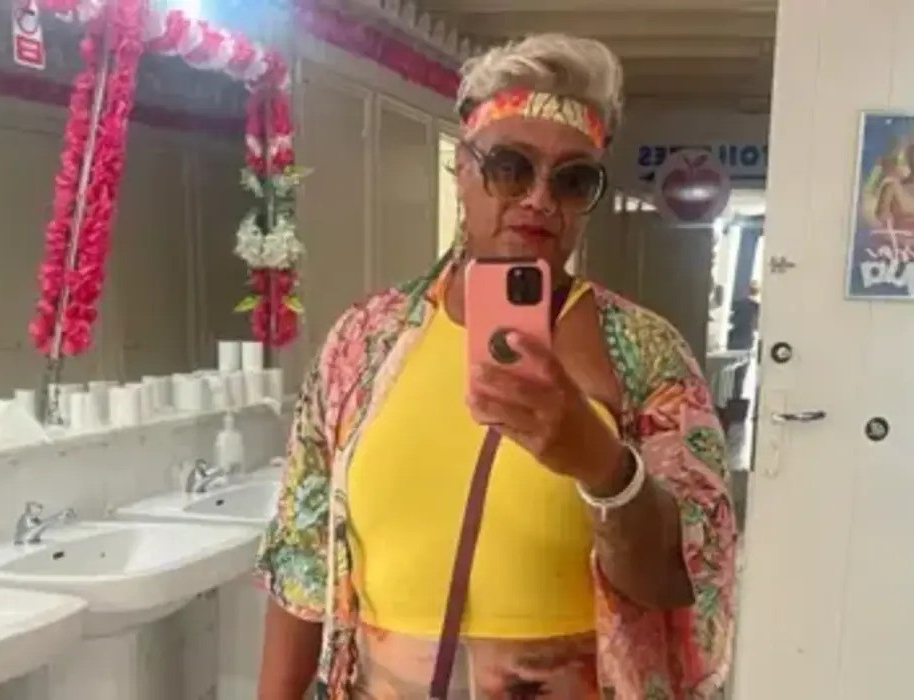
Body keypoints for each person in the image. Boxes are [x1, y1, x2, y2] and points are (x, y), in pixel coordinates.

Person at [256, 34, 737, 699]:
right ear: (462, 169)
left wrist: (604, 467)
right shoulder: (361, 344)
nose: (539, 199)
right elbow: (302, 561)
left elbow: (684, 578)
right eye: (510, 167)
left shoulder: (645, 354)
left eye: (573, 180)